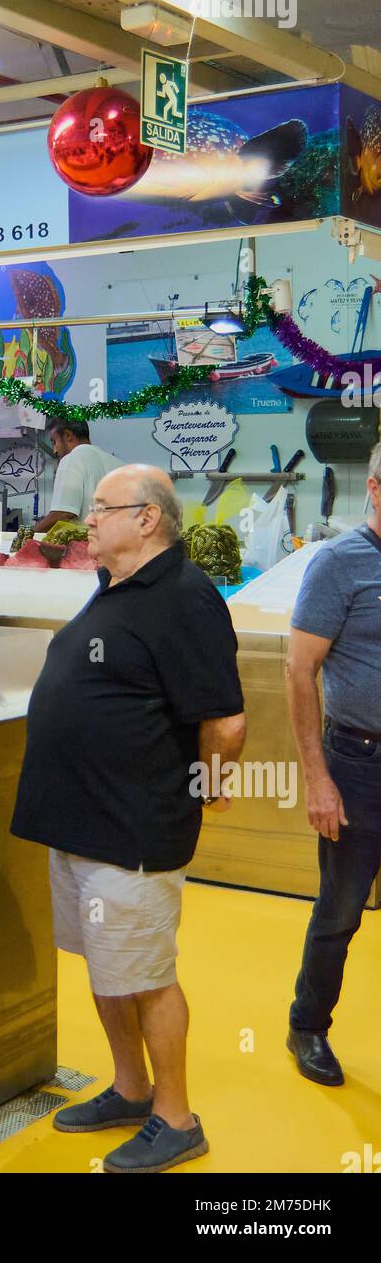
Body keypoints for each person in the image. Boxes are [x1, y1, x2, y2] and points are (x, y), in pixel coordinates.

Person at [12, 465, 246, 1173]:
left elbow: (225, 721)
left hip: (134, 827)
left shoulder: (184, 597)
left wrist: (203, 785)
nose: (88, 520)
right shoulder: (114, 588)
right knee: (109, 969)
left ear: (148, 518)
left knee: (145, 974)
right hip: (81, 823)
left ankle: (176, 1119)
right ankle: (130, 1087)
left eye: (102, 509)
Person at [285, 443, 381, 1087]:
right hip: (359, 762)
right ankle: (307, 1026)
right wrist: (318, 778)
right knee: (341, 909)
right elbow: (298, 670)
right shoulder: (341, 563)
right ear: (374, 490)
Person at [33, 417, 123, 535]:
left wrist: (27, 535)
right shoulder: (117, 463)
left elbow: (64, 513)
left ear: (68, 436)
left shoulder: (72, 458)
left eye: (54, 442)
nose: (54, 450)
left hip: (88, 546)